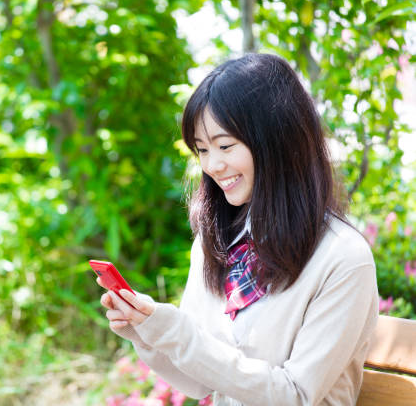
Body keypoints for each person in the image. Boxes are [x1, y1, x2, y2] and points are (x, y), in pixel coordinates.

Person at [97, 53, 378, 405]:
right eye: (202, 149)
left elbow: (295, 396)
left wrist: (175, 332)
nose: (212, 165)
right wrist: (148, 331)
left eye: (225, 146)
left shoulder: (342, 259)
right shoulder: (217, 242)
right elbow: (200, 383)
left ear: (277, 140)